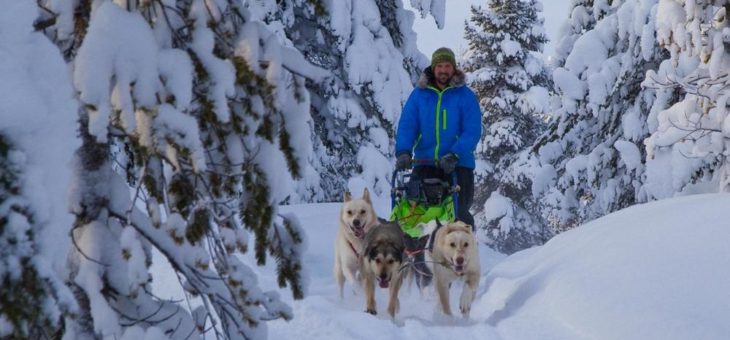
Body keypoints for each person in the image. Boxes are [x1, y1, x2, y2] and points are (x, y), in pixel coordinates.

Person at [394, 47, 481, 228]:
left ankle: (463, 252)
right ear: (433, 68)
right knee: (416, 213)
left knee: (459, 216)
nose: (443, 70)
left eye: (447, 66)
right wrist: (403, 151)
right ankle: (417, 251)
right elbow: (408, 125)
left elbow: (472, 131)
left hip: (457, 166)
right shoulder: (419, 95)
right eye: (439, 66)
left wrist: (455, 154)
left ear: (454, 68)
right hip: (424, 163)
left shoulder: (465, 96)